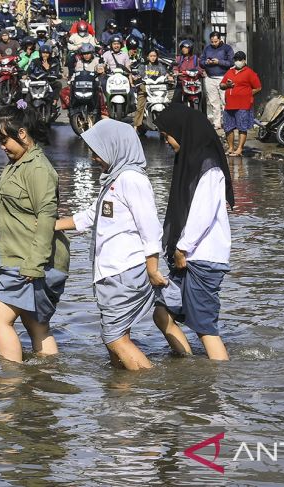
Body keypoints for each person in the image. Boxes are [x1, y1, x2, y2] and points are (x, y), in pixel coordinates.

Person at [55, 119, 165, 370]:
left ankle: (149, 388)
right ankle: (122, 395)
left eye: (98, 150)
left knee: (114, 337)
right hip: (112, 272)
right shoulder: (114, 179)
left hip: (124, 271)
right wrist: (52, 225)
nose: (94, 157)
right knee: (115, 335)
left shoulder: (131, 179)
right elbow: (92, 215)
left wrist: (152, 268)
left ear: (115, 146)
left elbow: (150, 227)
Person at [0, 105, 70, 363]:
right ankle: (45, 379)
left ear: (22, 133)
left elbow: (47, 217)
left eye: (4, 139)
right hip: (20, 255)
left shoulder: (38, 169)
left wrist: (34, 266)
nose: (2, 146)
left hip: (31, 259)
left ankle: (11, 384)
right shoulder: (18, 163)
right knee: (36, 323)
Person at [152, 104, 235, 361]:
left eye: (167, 135)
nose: (166, 141)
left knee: (204, 327)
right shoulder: (189, 161)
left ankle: (218, 380)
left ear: (182, 131)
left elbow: (203, 212)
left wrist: (182, 247)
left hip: (201, 257)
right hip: (188, 256)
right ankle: (189, 367)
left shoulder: (208, 167)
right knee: (162, 313)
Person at [220, 51, 261, 156]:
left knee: (242, 127)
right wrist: (227, 85)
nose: (237, 61)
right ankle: (230, 148)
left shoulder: (249, 72)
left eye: (240, 59)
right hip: (229, 104)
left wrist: (247, 94)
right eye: (236, 59)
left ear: (244, 60)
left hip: (243, 104)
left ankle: (239, 149)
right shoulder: (230, 72)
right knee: (228, 127)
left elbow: (258, 87)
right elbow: (221, 85)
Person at [200, 31, 234, 130]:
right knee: (213, 102)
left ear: (220, 39)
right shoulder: (207, 48)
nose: (214, 43)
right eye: (212, 41)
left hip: (223, 78)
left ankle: (228, 123)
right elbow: (201, 62)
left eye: (216, 41)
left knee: (224, 101)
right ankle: (217, 123)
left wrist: (219, 62)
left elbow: (231, 63)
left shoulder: (227, 48)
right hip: (210, 78)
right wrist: (206, 62)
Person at [133, 49, 172, 130]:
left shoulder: (160, 65)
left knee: (167, 104)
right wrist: (137, 77)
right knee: (140, 106)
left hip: (158, 90)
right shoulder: (143, 66)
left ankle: (168, 128)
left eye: (154, 56)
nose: (153, 58)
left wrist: (169, 77)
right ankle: (135, 127)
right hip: (145, 89)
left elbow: (165, 73)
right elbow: (139, 74)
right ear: (147, 57)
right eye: (151, 56)